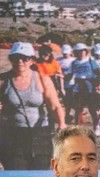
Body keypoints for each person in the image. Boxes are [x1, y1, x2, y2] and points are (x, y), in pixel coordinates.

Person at [0, 42, 66, 170]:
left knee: (39, 175)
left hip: (40, 135)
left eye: (24, 58)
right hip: (13, 134)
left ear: (32, 60)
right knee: (16, 173)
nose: (20, 61)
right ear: (11, 59)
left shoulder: (42, 79)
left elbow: (55, 106)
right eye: (15, 57)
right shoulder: (3, 80)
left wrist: (62, 124)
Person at [69, 43, 100, 134]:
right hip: (78, 87)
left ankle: (96, 126)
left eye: (82, 51)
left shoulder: (91, 61)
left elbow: (98, 73)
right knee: (78, 108)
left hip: (90, 87)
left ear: (86, 51)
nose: (81, 53)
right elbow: (70, 74)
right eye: (78, 51)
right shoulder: (74, 63)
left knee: (92, 108)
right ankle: (77, 129)